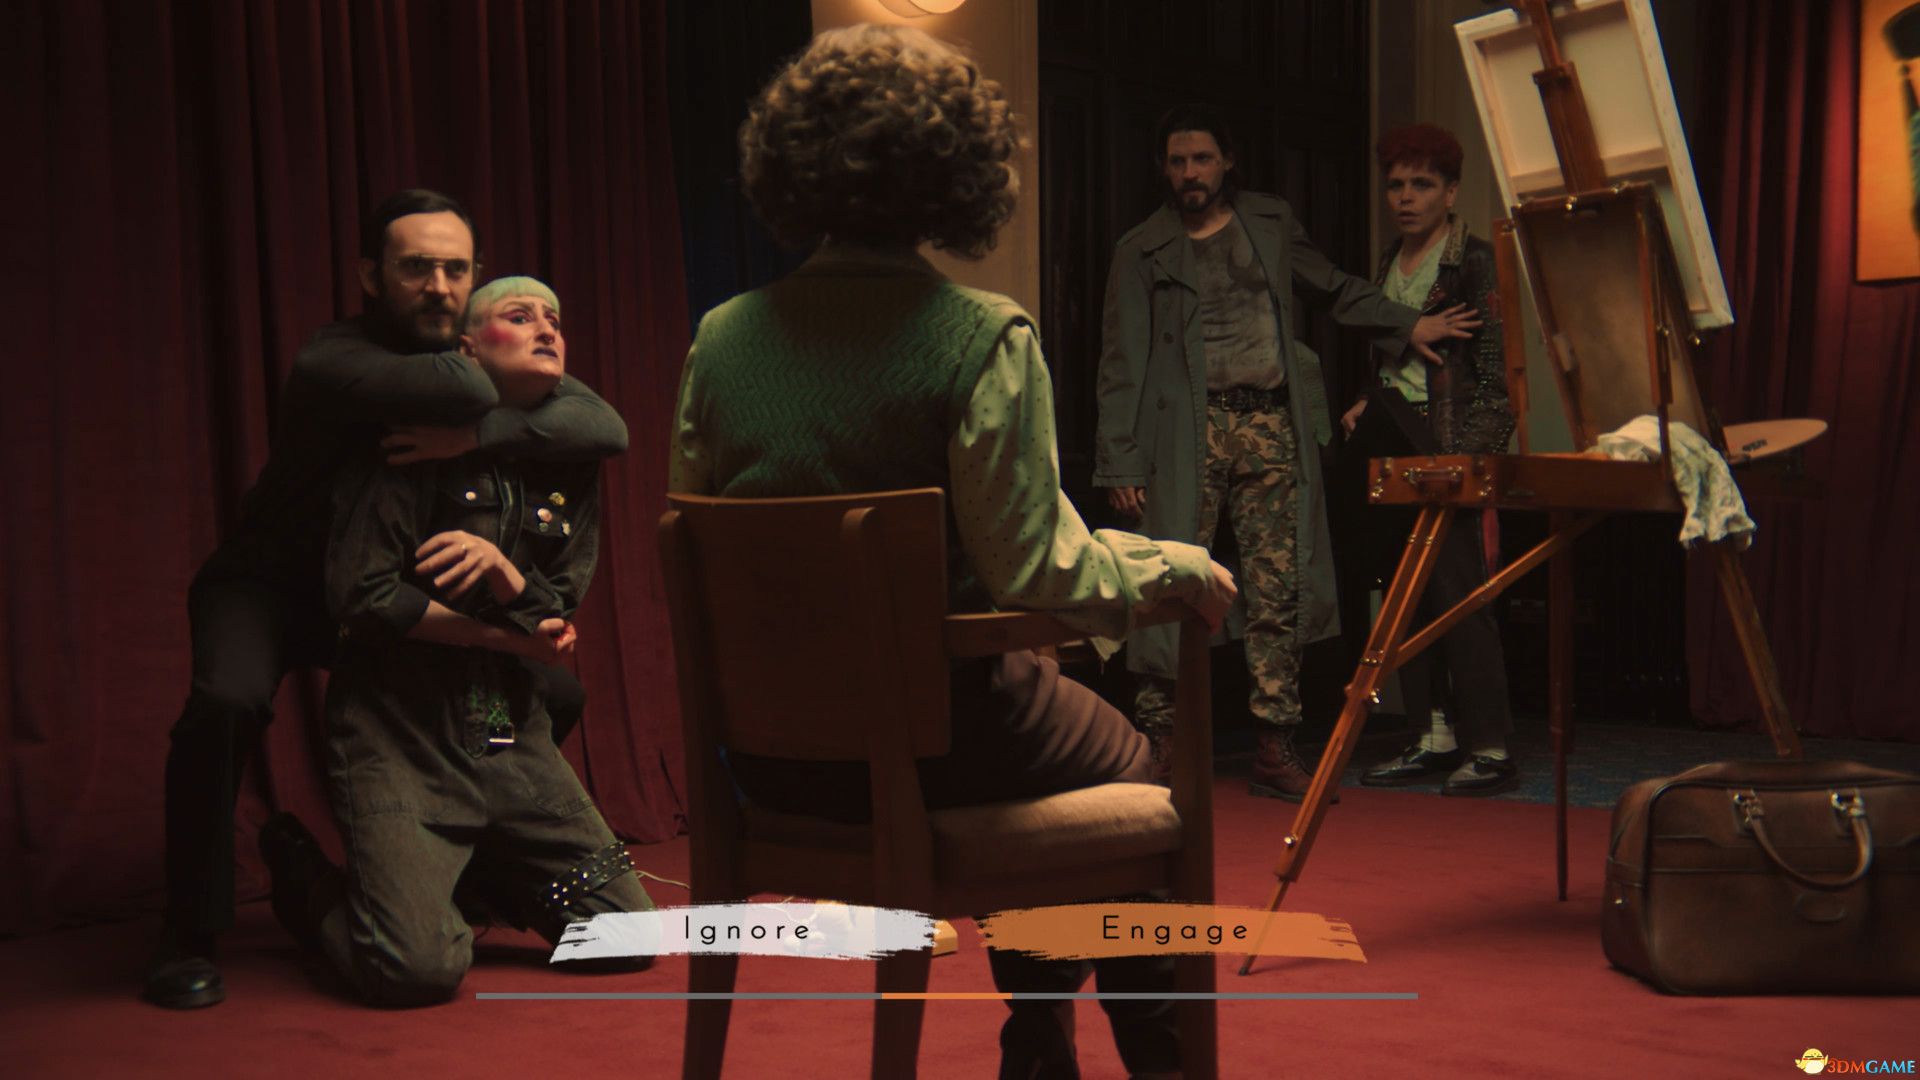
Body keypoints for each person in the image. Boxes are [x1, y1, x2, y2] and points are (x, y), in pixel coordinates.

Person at [670, 25, 1236, 1079]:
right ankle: (1127, 1059)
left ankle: (1042, 1051)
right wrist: (1176, 567)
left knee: (1033, 713)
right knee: (1128, 766)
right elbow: (1034, 572)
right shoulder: (981, 336)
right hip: (935, 747)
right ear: (956, 171)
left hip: (776, 765)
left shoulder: (722, 338)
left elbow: (704, 548)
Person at [146, 190, 628, 1009]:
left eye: (455, 269)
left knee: (556, 692)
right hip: (279, 581)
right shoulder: (337, 355)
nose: (438, 286)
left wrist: (482, 436)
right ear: (372, 276)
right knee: (226, 702)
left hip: (384, 581)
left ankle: (449, 874)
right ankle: (188, 930)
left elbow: (605, 427)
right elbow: (477, 387)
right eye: (416, 268)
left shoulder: (473, 366)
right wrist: (484, 396)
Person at [259, 275, 654, 1006]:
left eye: (554, 318)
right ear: (467, 349)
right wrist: (511, 636)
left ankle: (469, 874)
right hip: (397, 731)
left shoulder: (570, 459)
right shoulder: (407, 440)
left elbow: (555, 609)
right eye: (519, 316)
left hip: (504, 732)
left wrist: (505, 574)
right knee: (413, 970)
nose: (547, 329)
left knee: (624, 935)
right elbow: (363, 595)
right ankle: (310, 885)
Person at [1094, 104, 1480, 800]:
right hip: (1184, 432)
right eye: (1178, 162)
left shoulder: (1267, 223)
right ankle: (1160, 744)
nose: (1190, 173)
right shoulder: (1142, 248)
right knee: (1168, 585)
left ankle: (1276, 745)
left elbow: (1333, 287)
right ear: (1164, 169)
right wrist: (1119, 460)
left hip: (1269, 423)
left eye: (1202, 159)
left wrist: (1406, 324)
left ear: (1227, 162)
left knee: (1279, 587)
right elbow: (1121, 360)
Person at [1341, 123, 1519, 795]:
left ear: (1450, 192)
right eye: (1396, 185)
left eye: (1421, 184)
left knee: (1459, 594)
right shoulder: (1389, 260)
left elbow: (1499, 379)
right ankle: (1431, 733)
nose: (1405, 197)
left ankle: (1491, 747)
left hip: (1446, 441)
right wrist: (1367, 399)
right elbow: (1391, 353)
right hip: (1390, 436)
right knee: (1401, 591)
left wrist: (1469, 460)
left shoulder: (1473, 261)